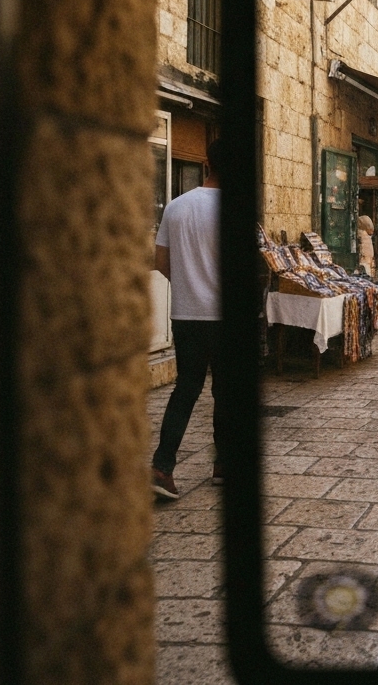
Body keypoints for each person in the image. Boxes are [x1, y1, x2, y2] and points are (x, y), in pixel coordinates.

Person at [151, 138, 228, 500]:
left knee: (186, 389)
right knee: (225, 391)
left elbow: (161, 262)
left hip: (186, 315)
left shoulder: (176, 207)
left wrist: (188, 285)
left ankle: (162, 467)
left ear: (206, 163)